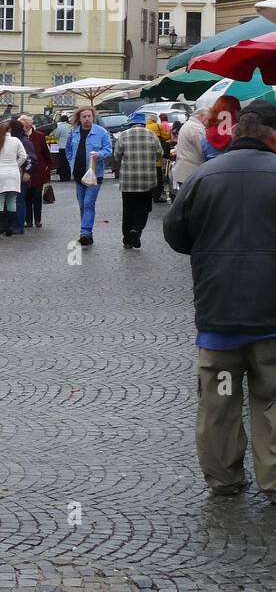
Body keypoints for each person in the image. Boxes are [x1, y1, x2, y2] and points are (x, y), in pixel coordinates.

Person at [164, 102, 276, 502]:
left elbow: (176, 235)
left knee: (220, 402)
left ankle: (224, 479)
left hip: (218, 317)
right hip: (270, 317)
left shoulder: (204, 176)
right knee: (271, 399)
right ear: (272, 135)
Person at [65, 106, 113, 247]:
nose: (87, 119)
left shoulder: (101, 132)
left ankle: (84, 233)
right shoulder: (73, 132)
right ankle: (88, 234)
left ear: (93, 117)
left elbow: (108, 149)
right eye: (84, 116)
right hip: (79, 174)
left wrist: (100, 155)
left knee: (88, 203)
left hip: (94, 174)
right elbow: (68, 150)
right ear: (79, 119)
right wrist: (71, 162)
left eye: (89, 116)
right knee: (82, 205)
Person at [112, 112, 160, 249]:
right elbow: (159, 153)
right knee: (144, 207)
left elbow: (116, 155)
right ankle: (136, 229)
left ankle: (127, 240)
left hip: (128, 181)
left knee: (128, 209)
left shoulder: (123, 135)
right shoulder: (152, 135)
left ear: (131, 123)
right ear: (143, 123)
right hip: (147, 180)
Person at [0, 119, 28, 238]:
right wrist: (16, 165)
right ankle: (9, 226)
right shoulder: (16, 141)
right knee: (12, 201)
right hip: (13, 173)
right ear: (10, 130)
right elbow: (23, 156)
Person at [18, 115, 52, 229]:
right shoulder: (18, 137)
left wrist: (48, 166)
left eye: (24, 125)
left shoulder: (39, 136)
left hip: (38, 170)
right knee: (26, 196)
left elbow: (45, 152)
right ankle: (28, 220)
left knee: (37, 196)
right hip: (25, 170)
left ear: (29, 125)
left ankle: (37, 219)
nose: (23, 128)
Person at [8, 119, 37, 236]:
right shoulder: (14, 140)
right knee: (12, 200)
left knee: (19, 201)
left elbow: (32, 159)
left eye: (9, 129)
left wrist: (27, 172)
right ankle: (11, 224)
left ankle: (18, 225)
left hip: (20, 175)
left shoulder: (24, 141)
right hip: (11, 175)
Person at [172, 109, 208, 188]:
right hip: (191, 173)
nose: (209, 122)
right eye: (208, 118)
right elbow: (204, 149)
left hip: (185, 172)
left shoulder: (189, 125)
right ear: (201, 116)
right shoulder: (196, 128)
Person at [201, 95, 242, 163]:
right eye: (239, 109)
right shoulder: (239, 133)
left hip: (211, 171)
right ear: (234, 111)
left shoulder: (205, 136)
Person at [145, 113, 171, 202]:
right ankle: (157, 196)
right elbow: (166, 136)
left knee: (149, 178)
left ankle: (151, 195)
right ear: (155, 119)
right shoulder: (157, 126)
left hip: (147, 159)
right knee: (158, 178)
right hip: (157, 159)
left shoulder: (146, 127)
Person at [54, 115, 73, 181]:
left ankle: (63, 177)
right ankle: (68, 176)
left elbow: (56, 136)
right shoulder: (71, 127)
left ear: (61, 120)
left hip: (61, 147)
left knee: (62, 163)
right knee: (68, 162)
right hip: (70, 147)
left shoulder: (59, 127)